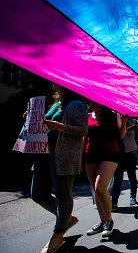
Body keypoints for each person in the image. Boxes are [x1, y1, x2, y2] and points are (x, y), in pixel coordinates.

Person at [40, 85, 88, 253]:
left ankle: (58, 234)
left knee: (63, 195)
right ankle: (65, 219)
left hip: (63, 156)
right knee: (37, 193)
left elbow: (83, 130)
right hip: (43, 154)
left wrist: (61, 127)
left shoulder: (76, 104)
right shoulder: (55, 104)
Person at [85, 103, 123, 237]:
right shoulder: (89, 116)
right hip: (91, 154)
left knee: (100, 187)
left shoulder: (113, 115)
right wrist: (79, 158)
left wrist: (123, 122)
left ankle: (109, 221)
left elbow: (121, 135)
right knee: (95, 190)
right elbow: (85, 137)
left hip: (110, 153)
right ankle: (102, 221)